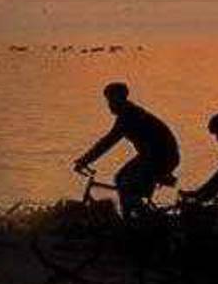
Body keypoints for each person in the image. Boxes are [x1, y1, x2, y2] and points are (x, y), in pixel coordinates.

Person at [73, 82, 180, 217]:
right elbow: (108, 141)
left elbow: (108, 141)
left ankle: (137, 220)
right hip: (153, 155)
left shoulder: (128, 116)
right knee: (121, 178)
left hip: (161, 157)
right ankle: (133, 214)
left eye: (111, 100)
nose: (109, 105)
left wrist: (85, 160)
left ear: (120, 98)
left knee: (126, 184)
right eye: (108, 101)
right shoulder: (129, 113)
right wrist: (86, 159)